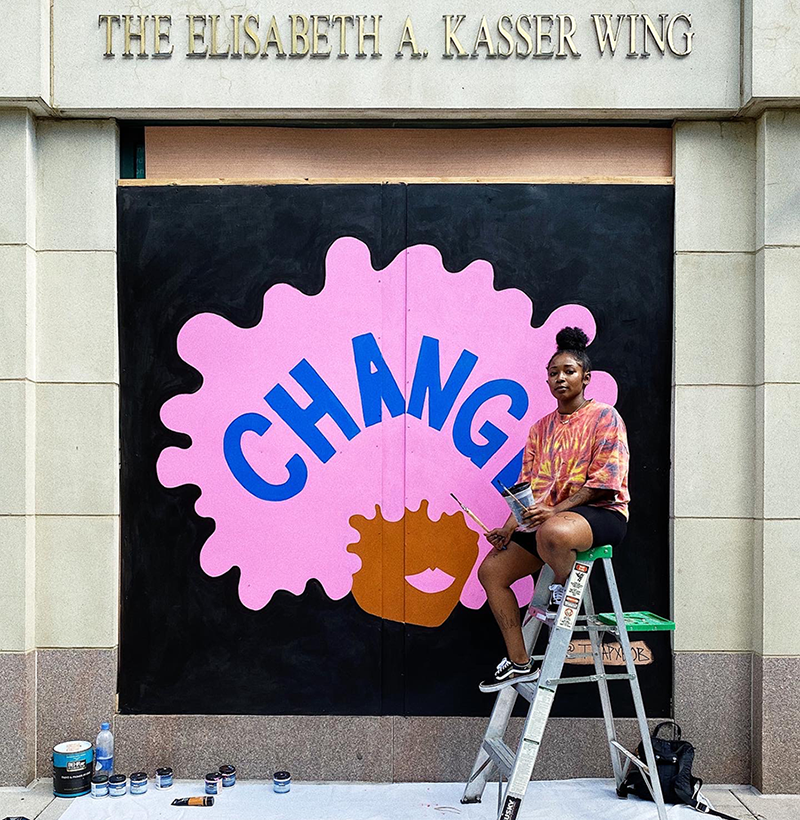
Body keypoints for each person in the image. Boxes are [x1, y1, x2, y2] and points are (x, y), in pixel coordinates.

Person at [477, 326, 630, 692]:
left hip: (602, 514)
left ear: (586, 378)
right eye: (553, 373)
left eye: (569, 371)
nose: (560, 378)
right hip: (550, 523)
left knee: (553, 531)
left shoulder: (605, 417)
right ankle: (519, 662)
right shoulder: (540, 429)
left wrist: (553, 512)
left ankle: (565, 588)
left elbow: (602, 482)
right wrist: (509, 528)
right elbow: (528, 490)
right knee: (491, 572)